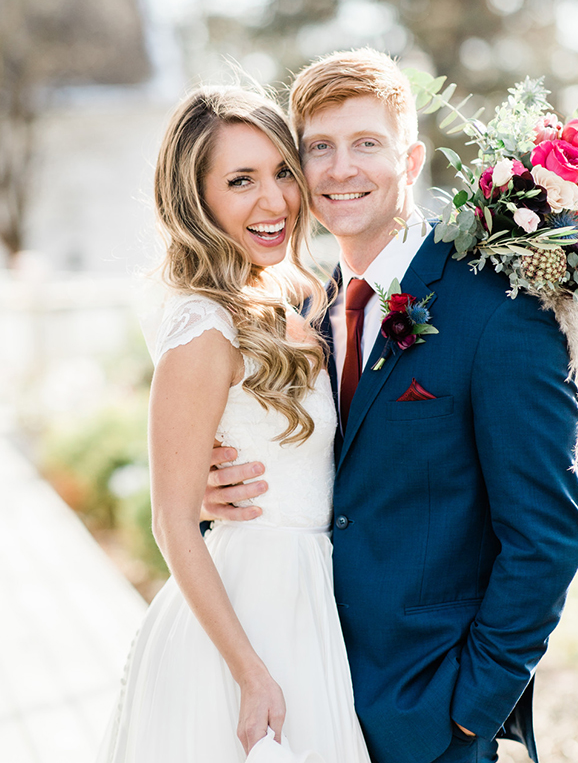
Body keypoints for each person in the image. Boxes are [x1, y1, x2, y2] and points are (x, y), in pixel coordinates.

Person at [203, 49, 578, 763]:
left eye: (366, 144)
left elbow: (545, 538)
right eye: (319, 147)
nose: (341, 169)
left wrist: (470, 711)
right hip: (298, 694)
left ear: (410, 162)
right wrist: (214, 489)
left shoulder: (499, 312)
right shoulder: (302, 312)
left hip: (427, 715)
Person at [96, 86, 371, 763]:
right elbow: (172, 520)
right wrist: (249, 673)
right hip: (245, 617)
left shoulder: (298, 299)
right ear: (197, 199)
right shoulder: (203, 325)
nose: (273, 201)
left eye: (282, 171)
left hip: (311, 594)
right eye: (240, 180)